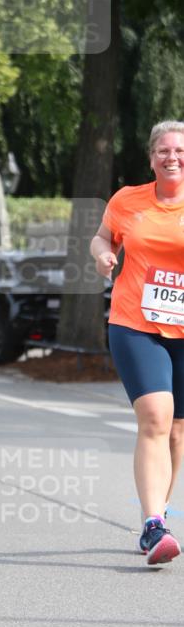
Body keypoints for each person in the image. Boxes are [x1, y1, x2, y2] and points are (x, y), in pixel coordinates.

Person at [91, 120, 184, 566]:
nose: (172, 157)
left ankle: (159, 513)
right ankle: (152, 525)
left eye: (180, 151)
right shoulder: (128, 199)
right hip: (136, 323)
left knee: (178, 431)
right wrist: (102, 255)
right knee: (154, 417)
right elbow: (102, 236)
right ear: (152, 158)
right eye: (164, 151)